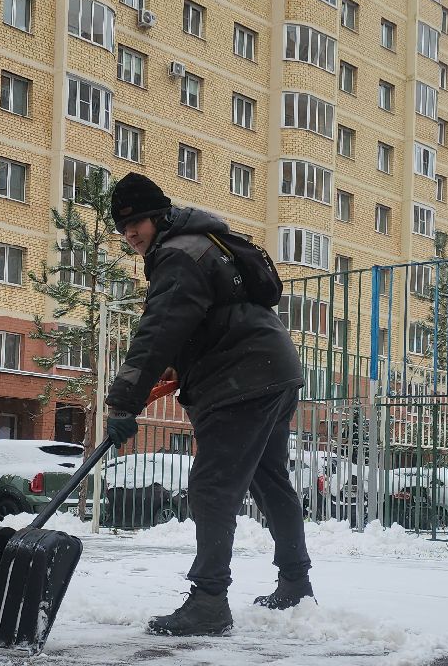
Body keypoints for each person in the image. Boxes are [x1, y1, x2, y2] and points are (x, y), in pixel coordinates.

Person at [102, 172, 316, 636]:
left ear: (158, 216)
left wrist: (123, 402)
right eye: (122, 229)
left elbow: (157, 333)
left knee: (211, 487)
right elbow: (208, 320)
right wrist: (181, 366)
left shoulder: (179, 255)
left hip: (241, 380)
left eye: (136, 222)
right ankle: (296, 582)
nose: (131, 234)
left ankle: (209, 601)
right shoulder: (203, 241)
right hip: (272, 371)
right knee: (269, 477)